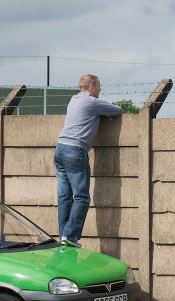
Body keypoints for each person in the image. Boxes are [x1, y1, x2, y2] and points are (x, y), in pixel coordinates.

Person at [55, 74, 123, 247]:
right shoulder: (91, 102)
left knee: (64, 196)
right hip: (75, 151)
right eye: (99, 85)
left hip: (60, 149)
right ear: (92, 86)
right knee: (82, 197)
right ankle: (70, 236)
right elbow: (117, 111)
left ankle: (63, 235)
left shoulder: (74, 99)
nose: (100, 89)